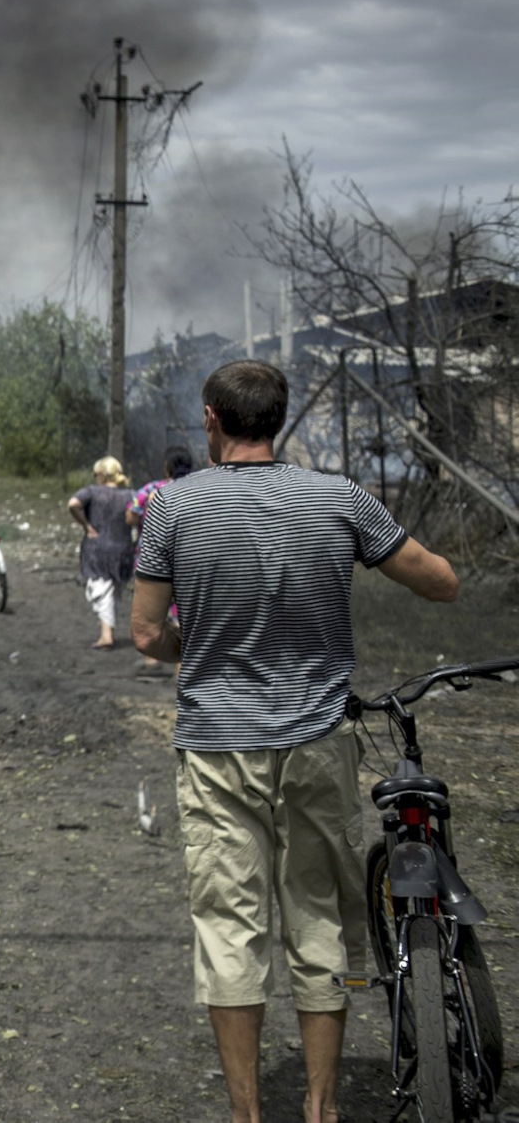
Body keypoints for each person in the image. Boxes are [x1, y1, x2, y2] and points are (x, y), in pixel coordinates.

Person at [131, 360, 457, 1123]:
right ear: (279, 421)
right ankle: (321, 1106)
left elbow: (146, 631)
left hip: (217, 747)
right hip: (317, 740)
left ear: (212, 419)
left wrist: (204, 643)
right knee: (318, 918)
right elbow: (439, 580)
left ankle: (247, 1113)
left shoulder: (173, 507)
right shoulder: (339, 496)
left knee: (230, 927)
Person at [127, 445, 196, 676]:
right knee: (183, 613)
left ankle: (152, 661)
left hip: (152, 561)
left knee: (152, 613)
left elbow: (130, 515)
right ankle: (182, 666)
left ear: (167, 466)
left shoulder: (151, 489)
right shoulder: (199, 489)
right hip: (188, 560)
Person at [67, 456, 135, 650]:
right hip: (122, 546)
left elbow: (73, 504)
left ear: (102, 475)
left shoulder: (91, 492)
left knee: (100, 589)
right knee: (114, 590)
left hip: (98, 547)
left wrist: (86, 525)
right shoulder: (130, 494)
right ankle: (108, 630)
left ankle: (106, 635)